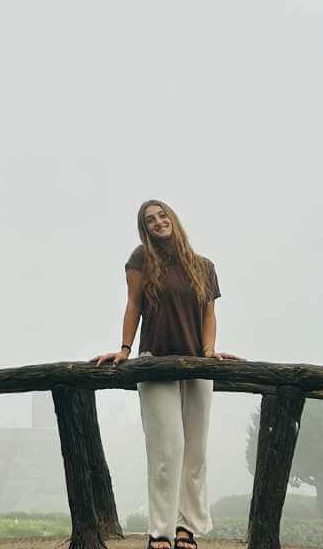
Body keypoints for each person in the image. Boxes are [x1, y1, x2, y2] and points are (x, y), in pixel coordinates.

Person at [94, 200, 241, 549]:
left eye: (162, 216)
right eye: (150, 220)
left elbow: (208, 314)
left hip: (197, 366)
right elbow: (133, 305)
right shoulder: (142, 260)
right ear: (145, 229)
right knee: (167, 449)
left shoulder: (204, 266)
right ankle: (159, 530)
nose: (158, 222)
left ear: (173, 219)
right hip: (156, 362)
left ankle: (185, 528)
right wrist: (125, 349)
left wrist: (209, 352)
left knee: (195, 451)